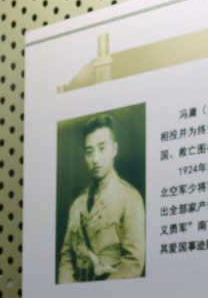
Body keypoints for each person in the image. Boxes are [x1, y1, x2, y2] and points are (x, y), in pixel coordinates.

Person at [57, 114, 145, 283]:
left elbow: (133, 263)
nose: (95, 159)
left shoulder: (130, 198)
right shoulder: (77, 205)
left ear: (115, 149)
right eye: (89, 152)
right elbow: (66, 259)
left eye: (102, 148)